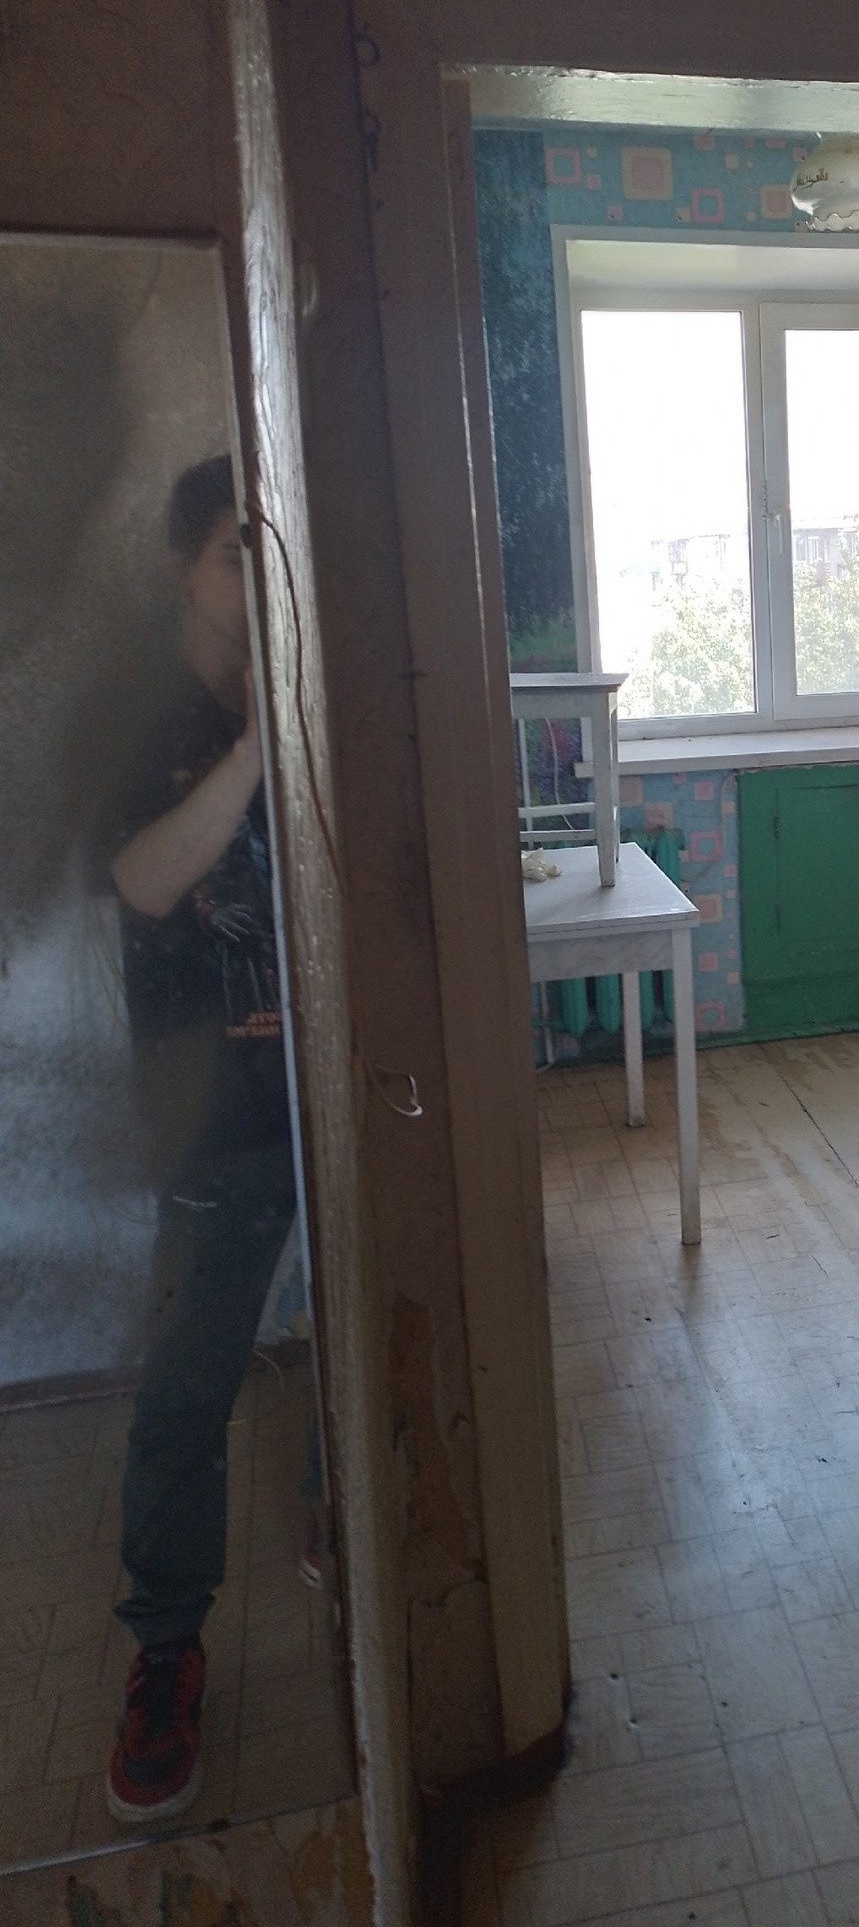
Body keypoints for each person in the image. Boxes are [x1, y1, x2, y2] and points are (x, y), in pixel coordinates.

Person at [101, 456, 296, 1823]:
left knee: (373, 1326)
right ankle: (166, 1649)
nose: (255, 578)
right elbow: (144, 876)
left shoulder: (300, 682)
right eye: (237, 553)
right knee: (185, 1392)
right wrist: (252, 754)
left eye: (265, 553)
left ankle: (351, 1527)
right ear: (184, 562)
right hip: (211, 1121)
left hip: (330, 1093)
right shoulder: (145, 718)